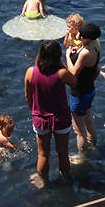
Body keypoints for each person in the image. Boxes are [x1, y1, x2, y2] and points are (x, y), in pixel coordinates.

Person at [24, 40, 76, 188]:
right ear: (58, 56)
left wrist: (33, 112)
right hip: (60, 119)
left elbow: (28, 96)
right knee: (63, 152)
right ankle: (66, 180)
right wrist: (62, 63)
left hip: (40, 119)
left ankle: (43, 182)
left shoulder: (30, 72)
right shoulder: (62, 73)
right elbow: (74, 82)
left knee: (43, 154)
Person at [65, 23, 101, 159]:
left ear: (88, 38)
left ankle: (82, 157)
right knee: (88, 121)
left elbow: (73, 73)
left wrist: (68, 55)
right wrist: (76, 49)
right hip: (89, 91)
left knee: (78, 130)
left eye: (81, 34)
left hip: (79, 94)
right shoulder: (95, 47)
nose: (78, 35)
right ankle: (94, 145)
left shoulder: (86, 53)